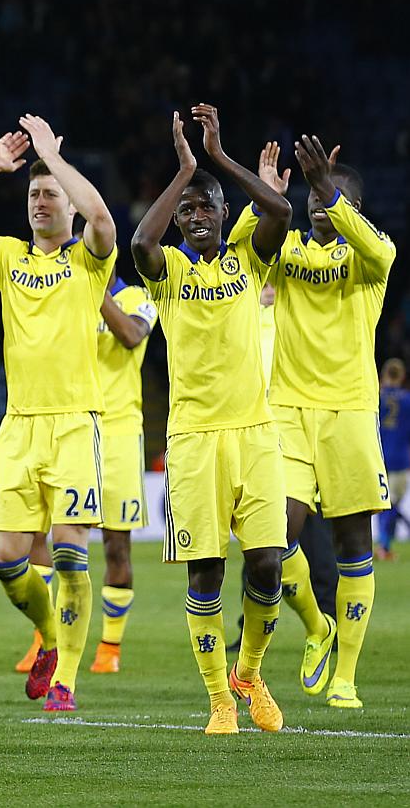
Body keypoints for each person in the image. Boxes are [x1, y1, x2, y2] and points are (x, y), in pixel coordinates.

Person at [0, 115, 116, 712]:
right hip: (20, 427)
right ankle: (51, 639)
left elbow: (105, 221)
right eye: (34, 194)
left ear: (67, 203)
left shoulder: (89, 260)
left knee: (67, 549)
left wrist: (54, 159)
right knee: (7, 558)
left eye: (49, 194)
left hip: (73, 422)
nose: (40, 201)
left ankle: (66, 678)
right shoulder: (9, 258)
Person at [129, 104, 290, 735]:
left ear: (225, 215)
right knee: (206, 570)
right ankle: (220, 697)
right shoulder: (167, 272)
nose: (196, 215)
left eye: (207, 206)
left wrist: (221, 159)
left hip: (255, 433)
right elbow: (142, 242)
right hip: (193, 441)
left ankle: (249, 673)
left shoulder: (247, 260)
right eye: (188, 209)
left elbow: (277, 210)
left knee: (268, 563)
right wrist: (186, 170)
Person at [227, 137, 396, 708]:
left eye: (334, 197)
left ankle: (345, 675)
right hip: (288, 411)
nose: (321, 205)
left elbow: (377, 252)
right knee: (271, 539)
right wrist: (264, 199)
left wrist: (325, 181)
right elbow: (239, 257)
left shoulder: (372, 259)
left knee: (353, 543)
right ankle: (317, 627)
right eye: (315, 196)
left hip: (349, 412)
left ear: (353, 207)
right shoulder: (288, 251)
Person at [88, 280, 158, 673]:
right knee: (53, 540)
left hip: (119, 434)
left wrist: (92, 288)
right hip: (70, 425)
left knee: (116, 546)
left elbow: (131, 335)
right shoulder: (63, 291)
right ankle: (45, 642)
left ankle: (109, 647)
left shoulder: (138, 297)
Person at [377, 359, 410, 561]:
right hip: (399, 460)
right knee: (392, 504)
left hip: (379, 458)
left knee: (384, 504)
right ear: (402, 376)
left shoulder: (377, 398)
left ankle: (384, 544)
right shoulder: (407, 400)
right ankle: (384, 545)